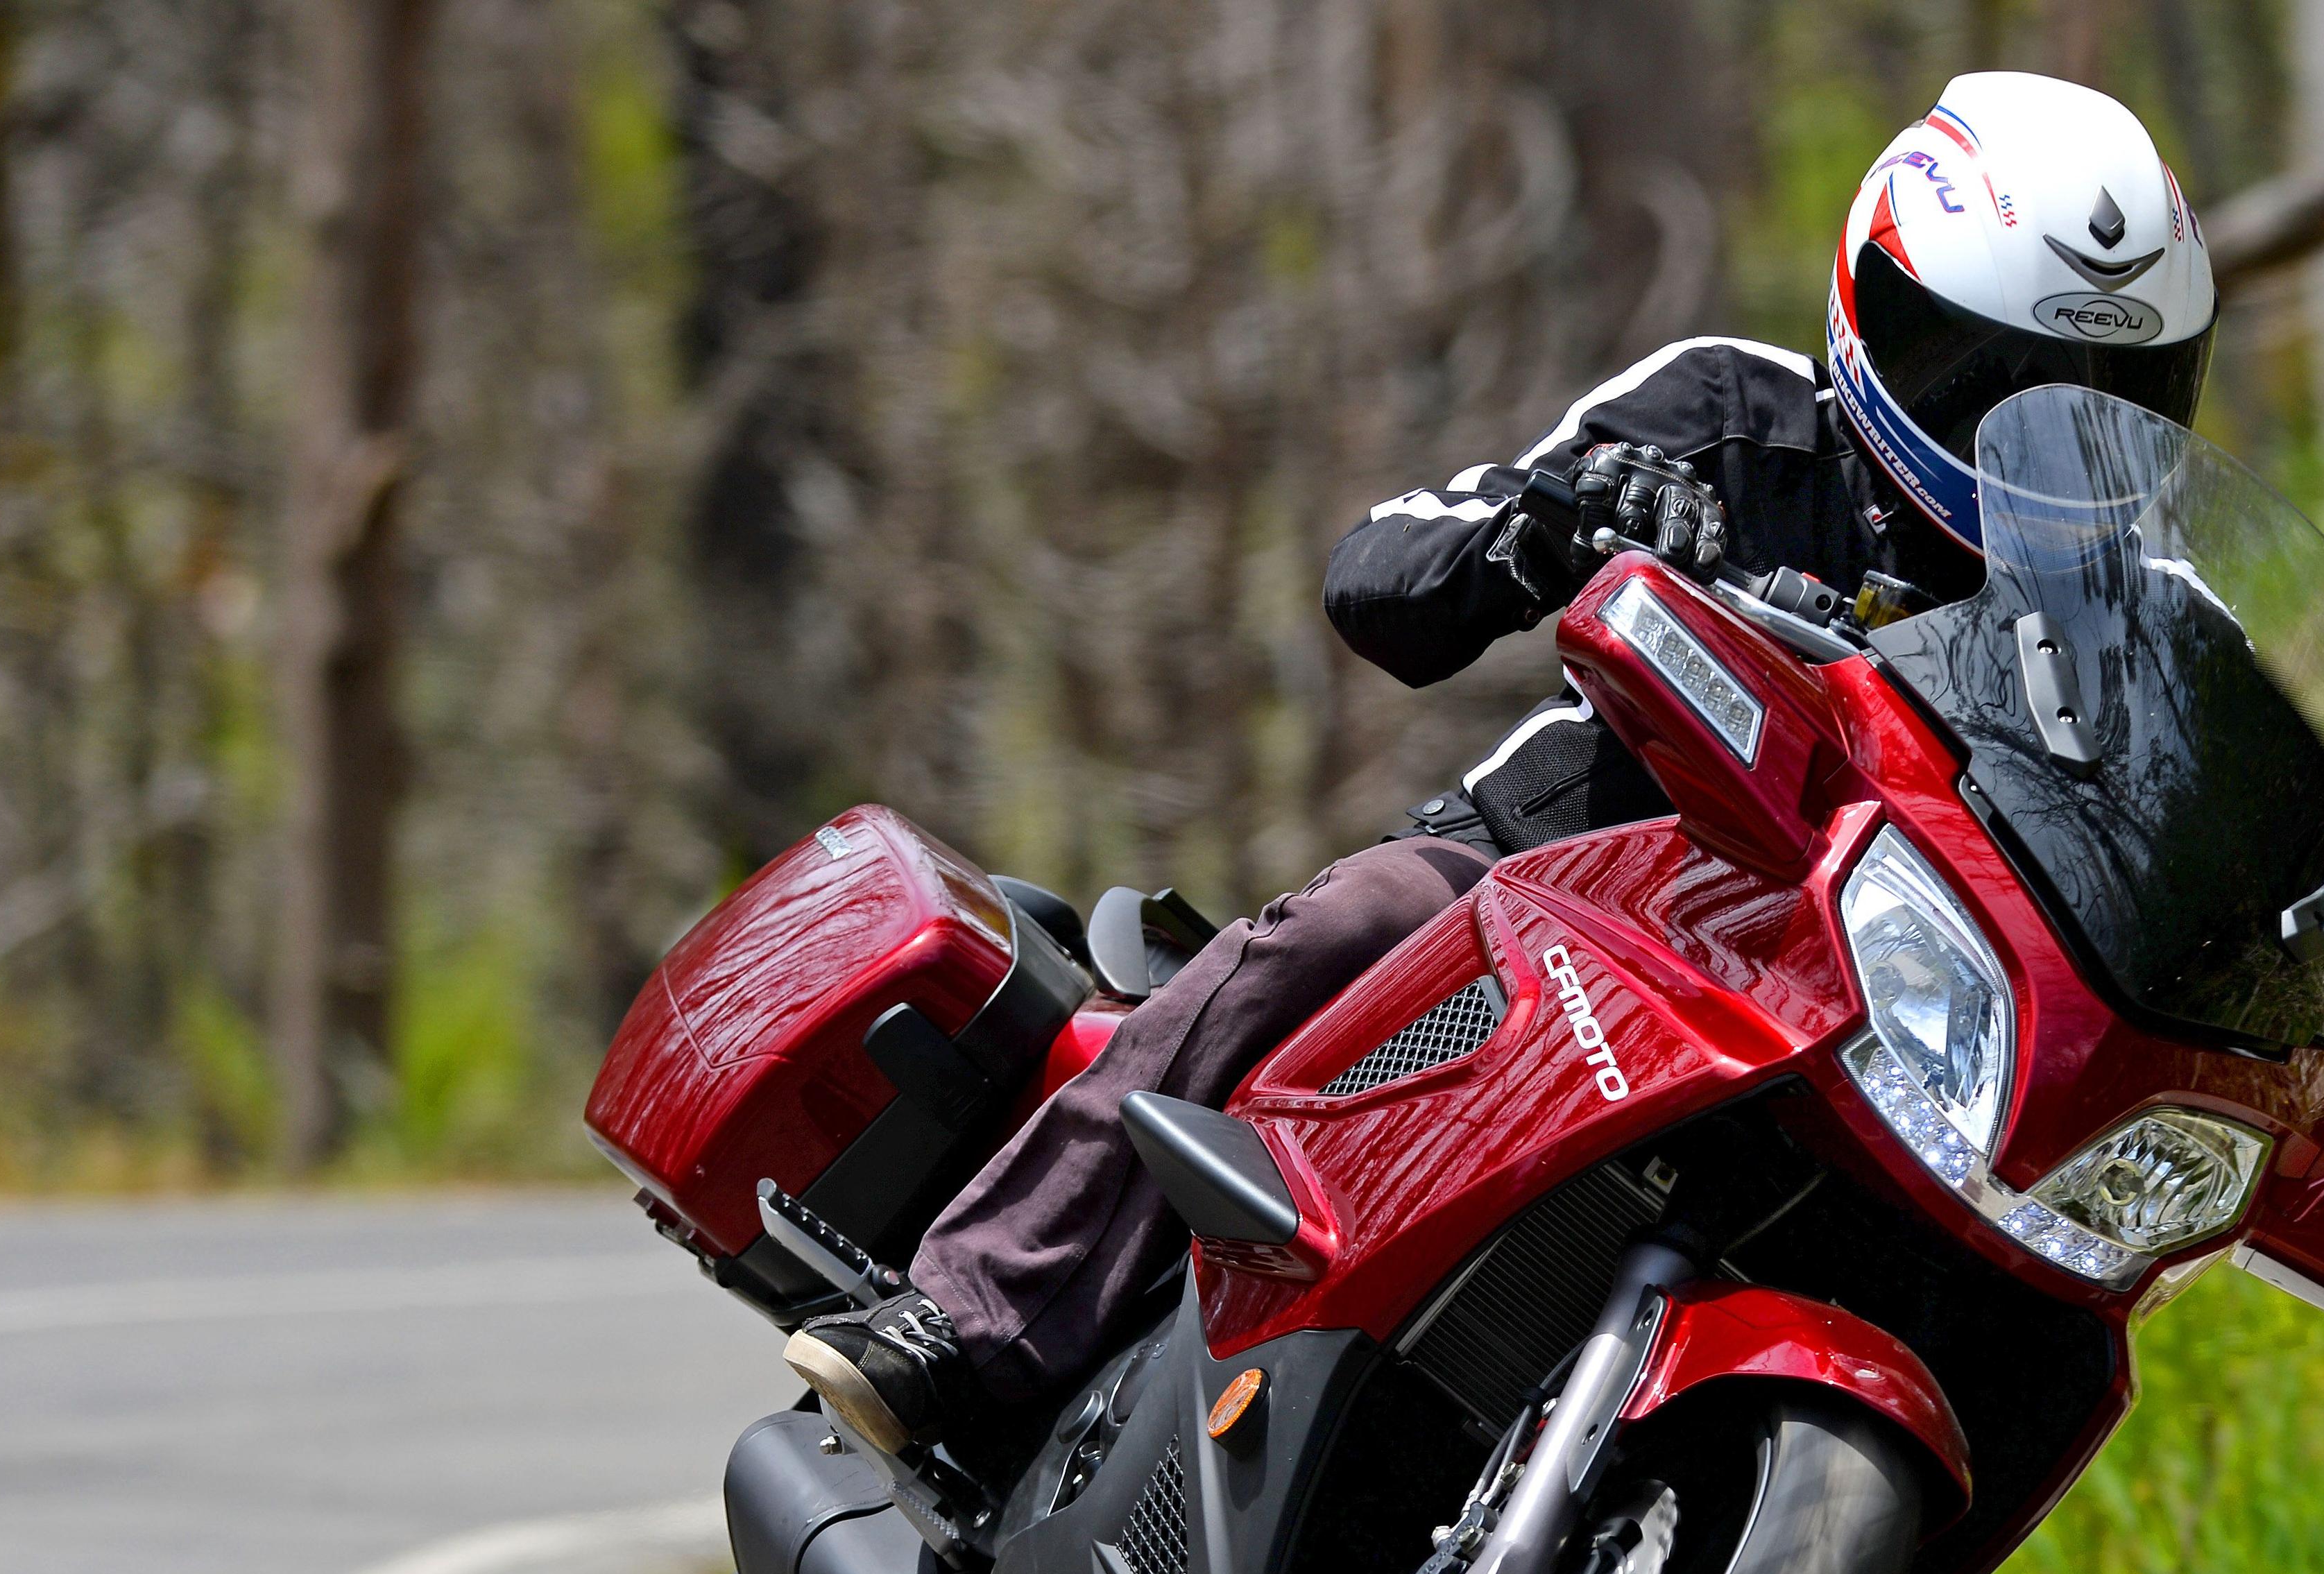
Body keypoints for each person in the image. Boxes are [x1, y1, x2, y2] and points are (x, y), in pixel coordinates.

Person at [787, 71, 2219, 1467]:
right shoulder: (1731, 407)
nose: (2046, 434)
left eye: (2113, 394)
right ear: (1880, 312)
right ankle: (967, 1315)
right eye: (1994, 378)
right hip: (1560, 882)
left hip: (1873, 1024)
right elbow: (1378, 576)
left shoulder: (2152, 626)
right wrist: (1553, 523)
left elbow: (2241, 858)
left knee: (2062, 1328)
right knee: (1353, 926)